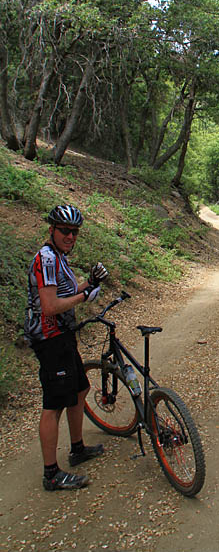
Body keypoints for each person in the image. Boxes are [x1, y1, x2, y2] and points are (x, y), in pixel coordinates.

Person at [25, 204, 109, 491]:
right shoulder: (46, 260)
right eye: (65, 231)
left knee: (79, 390)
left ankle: (77, 448)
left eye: (74, 232)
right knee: (54, 405)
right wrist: (84, 295)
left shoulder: (59, 258)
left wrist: (91, 283)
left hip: (63, 334)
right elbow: (49, 307)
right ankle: (51, 474)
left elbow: (67, 293)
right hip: (49, 338)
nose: (70, 236)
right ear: (52, 230)